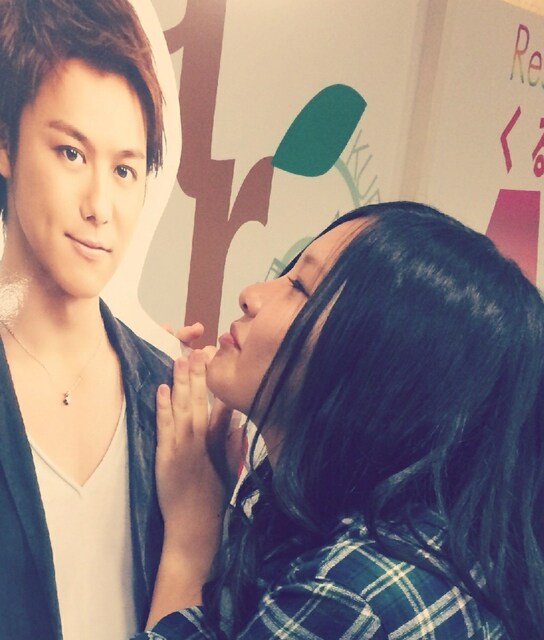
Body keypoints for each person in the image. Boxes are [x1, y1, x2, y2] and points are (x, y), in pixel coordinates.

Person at [128, 202, 543, 639]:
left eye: (300, 287)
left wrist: (192, 538)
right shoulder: (428, 539)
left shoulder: (354, 595)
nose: (251, 294)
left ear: (380, 369)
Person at [0, 0, 179, 637]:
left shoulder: (168, 400)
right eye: (71, 153)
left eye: (125, 169)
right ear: (3, 141)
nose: (100, 205)